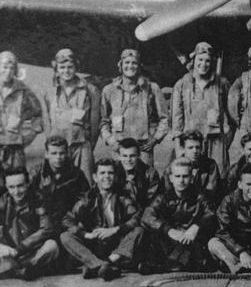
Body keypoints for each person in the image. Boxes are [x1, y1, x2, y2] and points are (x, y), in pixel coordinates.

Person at [60, 159, 144, 281]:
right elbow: (67, 219)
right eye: (102, 173)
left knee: (139, 230)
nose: (107, 177)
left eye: (110, 173)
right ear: (95, 177)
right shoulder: (88, 198)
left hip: (117, 245)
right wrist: (86, 234)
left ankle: (102, 265)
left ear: (115, 176)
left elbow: (137, 216)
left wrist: (116, 229)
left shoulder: (122, 195)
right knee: (65, 236)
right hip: (96, 245)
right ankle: (100, 265)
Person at [142, 158, 216, 273]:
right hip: (171, 241)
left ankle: (170, 265)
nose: (181, 180)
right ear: (171, 178)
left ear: (191, 178)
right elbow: (147, 216)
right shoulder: (163, 197)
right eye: (177, 176)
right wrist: (168, 230)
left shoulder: (200, 197)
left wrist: (196, 226)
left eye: (185, 176)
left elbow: (211, 213)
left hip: (190, 242)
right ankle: (171, 264)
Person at [171, 42, 233, 175]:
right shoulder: (182, 84)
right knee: (189, 177)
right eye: (200, 60)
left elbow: (232, 113)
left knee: (218, 176)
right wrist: (178, 147)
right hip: (190, 142)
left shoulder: (222, 83)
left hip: (215, 141)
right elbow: (177, 119)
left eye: (207, 61)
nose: (203, 64)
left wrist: (226, 141)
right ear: (193, 60)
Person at [99, 49, 168, 165]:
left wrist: (155, 138)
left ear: (139, 66)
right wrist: (111, 141)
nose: (130, 66)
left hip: (143, 147)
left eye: (134, 63)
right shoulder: (109, 90)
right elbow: (103, 121)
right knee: (119, 179)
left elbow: (164, 118)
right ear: (120, 65)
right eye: (126, 62)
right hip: (119, 147)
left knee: (145, 179)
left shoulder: (152, 88)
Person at [42, 48, 100, 183]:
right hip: (58, 150)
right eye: (62, 67)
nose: (66, 71)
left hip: (81, 146)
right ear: (56, 68)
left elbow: (94, 122)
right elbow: (46, 122)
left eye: (70, 67)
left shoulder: (90, 90)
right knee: (58, 185)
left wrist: (89, 146)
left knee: (86, 184)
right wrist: (52, 147)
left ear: (76, 67)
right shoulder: (49, 92)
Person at [0, 167, 58, 280]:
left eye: (20, 186)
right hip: (10, 254)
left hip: (33, 252)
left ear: (27, 184)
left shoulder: (38, 199)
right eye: (11, 187)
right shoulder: (2, 203)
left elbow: (46, 229)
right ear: (6, 187)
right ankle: (19, 271)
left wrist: (20, 248)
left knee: (52, 246)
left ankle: (25, 269)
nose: (16, 192)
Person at [0, 51, 43, 186]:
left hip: (15, 149)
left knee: (18, 184)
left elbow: (38, 113)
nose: (8, 71)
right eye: (4, 67)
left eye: (11, 68)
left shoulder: (23, 90)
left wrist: (31, 135)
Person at [29, 135, 90, 229]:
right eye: (54, 153)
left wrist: (74, 214)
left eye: (62, 153)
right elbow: (28, 198)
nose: (58, 157)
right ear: (46, 154)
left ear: (67, 153)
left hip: (67, 219)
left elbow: (86, 198)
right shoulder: (36, 173)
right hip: (43, 218)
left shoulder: (76, 174)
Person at [163, 130, 221, 205]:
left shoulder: (210, 165)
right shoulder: (174, 166)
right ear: (183, 149)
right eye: (190, 148)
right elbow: (168, 191)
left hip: (203, 206)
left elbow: (210, 191)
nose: (195, 151)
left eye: (198, 147)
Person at [114, 138, 162, 210]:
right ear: (119, 156)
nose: (128, 160)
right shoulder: (112, 171)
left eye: (132, 156)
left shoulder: (150, 174)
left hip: (141, 213)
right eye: (124, 156)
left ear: (139, 155)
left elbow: (153, 203)